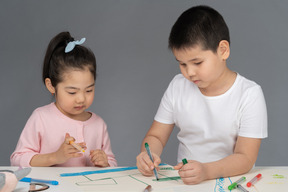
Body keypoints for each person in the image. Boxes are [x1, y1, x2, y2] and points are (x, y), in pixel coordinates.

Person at [136, 5, 267, 184]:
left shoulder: (249, 95)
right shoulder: (177, 86)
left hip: (230, 182)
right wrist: (147, 154)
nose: (189, 73)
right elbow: (156, 136)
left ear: (223, 50)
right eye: (182, 64)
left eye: (197, 62)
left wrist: (206, 170)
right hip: (186, 184)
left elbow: (245, 157)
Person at [11, 31, 117, 167]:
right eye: (72, 92)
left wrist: (105, 163)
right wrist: (55, 157)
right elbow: (17, 159)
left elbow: (112, 164)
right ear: (51, 86)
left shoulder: (98, 124)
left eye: (89, 90)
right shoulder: (41, 118)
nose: (81, 99)